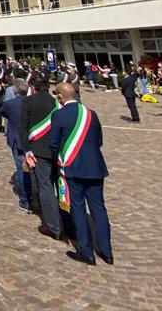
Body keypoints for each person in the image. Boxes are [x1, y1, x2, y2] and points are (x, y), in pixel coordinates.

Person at [50, 82, 113, 266]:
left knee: (77, 208)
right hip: (95, 167)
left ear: (60, 97)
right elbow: (99, 140)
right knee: (99, 209)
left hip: (72, 168)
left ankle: (86, 252)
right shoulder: (90, 113)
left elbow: (54, 143)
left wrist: (59, 160)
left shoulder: (59, 115)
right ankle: (107, 252)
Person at [20, 73, 63, 241]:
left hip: (39, 150)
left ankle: (53, 226)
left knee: (45, 186)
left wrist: (27, 150)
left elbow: (23, 129)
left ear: (33, 87)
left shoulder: (29, 101)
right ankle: (68, 222)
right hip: (58, 149)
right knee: (61, 185)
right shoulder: (57, 102)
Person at [0, 78, 32, 211]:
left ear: (15, 90)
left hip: (18, 140)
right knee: (31, 171)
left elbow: (3, 112)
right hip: (32, 140)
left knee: (22, 169)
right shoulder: (32, 103)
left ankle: (25, 200)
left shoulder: (10, 104)